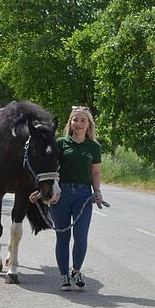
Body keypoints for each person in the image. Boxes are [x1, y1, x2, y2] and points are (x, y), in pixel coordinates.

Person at [31, 105, 103, 291]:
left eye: (83, 120)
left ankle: (76, 271)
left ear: (89, 124)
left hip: (83, 195)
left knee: (81, 236)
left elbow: (95, 173)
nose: (78, 123)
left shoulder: (94, 147)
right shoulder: (61, 144)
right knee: (63, 236)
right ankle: (64, 276)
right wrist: (40, 191)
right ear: (70, 123)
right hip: (61, 193)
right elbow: (49, 169)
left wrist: (97, 191)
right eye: (75, 120)